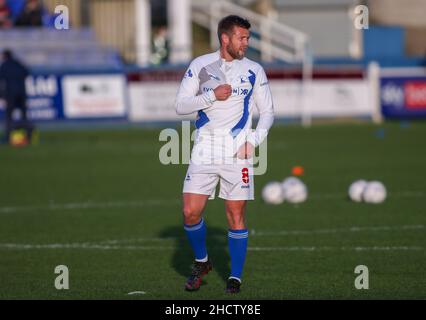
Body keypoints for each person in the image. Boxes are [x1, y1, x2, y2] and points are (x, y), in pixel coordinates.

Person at [175, 15, 274, 293]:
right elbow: (180, 105)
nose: (246, 42)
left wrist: (254, 141)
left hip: (238, 153)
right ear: (225, 38)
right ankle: (202, 262)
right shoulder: (200, 65)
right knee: (190, 212)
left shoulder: (255, 70)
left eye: (247, 38)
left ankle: (235, 276)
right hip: (204, 150)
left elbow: (267, 112)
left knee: (235, 215)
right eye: (241, 38)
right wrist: (211, 96)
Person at [0, 49, 32, 144]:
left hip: (10, 94)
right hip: (21, 93)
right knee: (24, 116)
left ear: (5, 56)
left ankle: (9, 137)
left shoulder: (4, 65)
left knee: (9, 116)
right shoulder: (18, 63)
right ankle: (28, 136)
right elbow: (26, 72)